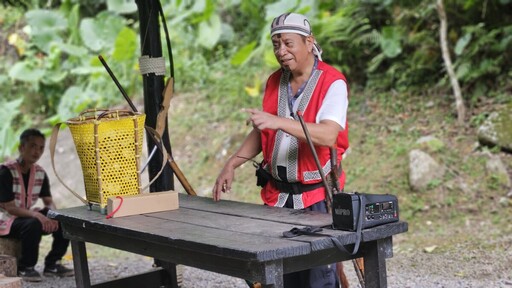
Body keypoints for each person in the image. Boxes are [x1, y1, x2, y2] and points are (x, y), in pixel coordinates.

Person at [212, 12, 349, 288]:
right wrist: (232, 163)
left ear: (309, 42)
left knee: (317, 278)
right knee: (281, 276)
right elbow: (263, 129)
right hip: (276, 199)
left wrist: (277, 121)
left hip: (317, 199)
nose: (281, 51)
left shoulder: (332, 82)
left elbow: (329, 134)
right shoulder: (276, 81)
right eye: (276, 44)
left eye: (288, 43)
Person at [0, 128, 74, 282]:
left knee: (65, 220)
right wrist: (37, 215)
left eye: (41, 148)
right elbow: (10, 208)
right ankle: (26, 267)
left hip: (24, 217)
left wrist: (54, 215)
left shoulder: (40, 172)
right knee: (33, 223)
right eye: (33, 146)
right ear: (21, 147)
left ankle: (53, 264)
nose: (37, 151)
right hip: (5, 220)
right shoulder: (5, 171)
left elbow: (48, 201)